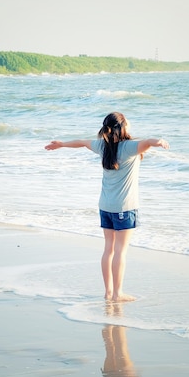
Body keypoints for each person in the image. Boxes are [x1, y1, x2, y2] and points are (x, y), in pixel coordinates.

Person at [45, 112, 169, 302]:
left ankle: (108, 292)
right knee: (120, 251)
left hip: (105, 206)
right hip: (124, 208)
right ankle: (118, 294)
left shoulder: (103, 146)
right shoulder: (128, 147)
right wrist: (159, 140)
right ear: (123, 127)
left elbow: (82, 142)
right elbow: (148, 141)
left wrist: (61, 144)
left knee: (108, 249)